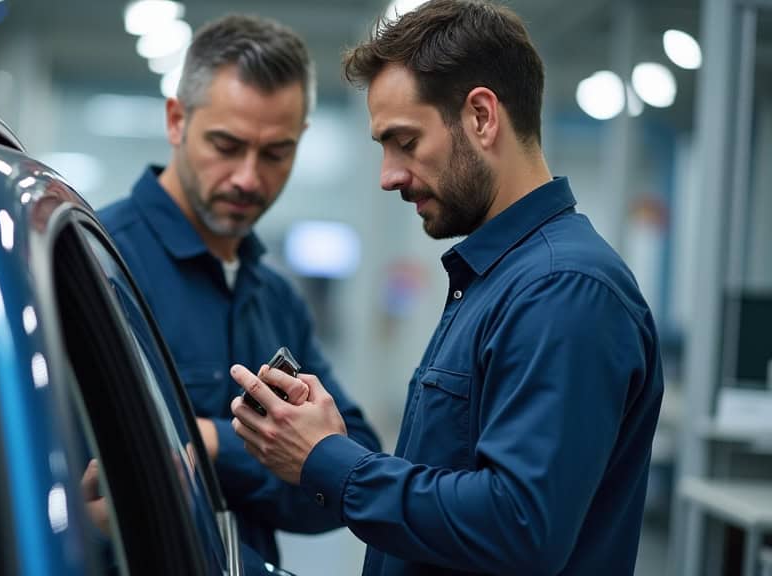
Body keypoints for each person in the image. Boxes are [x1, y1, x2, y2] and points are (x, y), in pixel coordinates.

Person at [228, 1, 665, 574]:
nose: (388, 175)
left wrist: (330, 461)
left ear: (482, 117)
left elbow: (519, 526)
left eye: (405, 142)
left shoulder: (563, 290)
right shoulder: (498, 280)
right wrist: (336, 447)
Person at [97, 13, 381, 565]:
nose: (249, 178)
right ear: (177, 120)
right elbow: (90, 483)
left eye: (276, 153)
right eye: (226, 145)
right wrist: (275, 455)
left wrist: (209, 441)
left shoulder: (275, 300)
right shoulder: (100, 263)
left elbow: (353, 476)